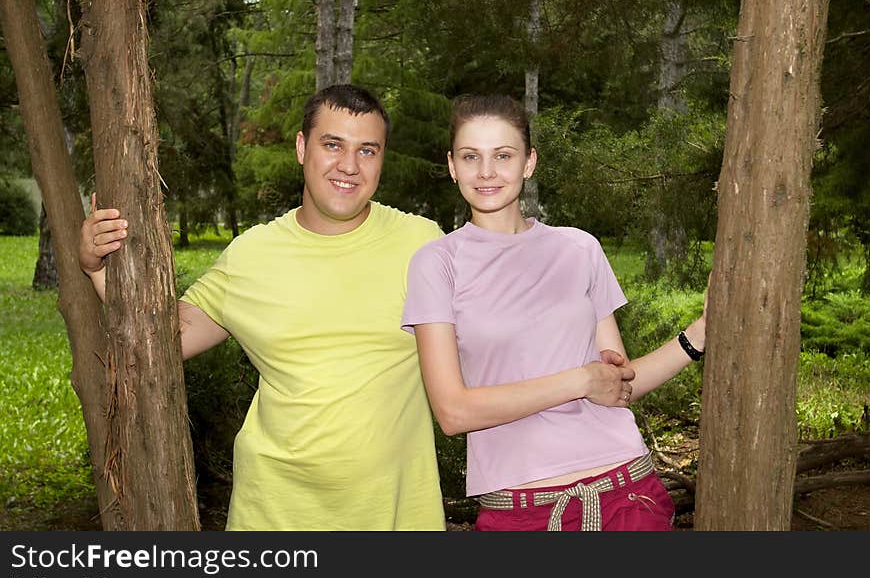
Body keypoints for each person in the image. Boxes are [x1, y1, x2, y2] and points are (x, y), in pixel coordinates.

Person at [80, 84, 448, 531]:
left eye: (367, 151)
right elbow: (164, 340)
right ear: (301, 147)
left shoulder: (423, 244)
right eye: (332, 145)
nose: (349, 166)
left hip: (395, 517)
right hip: (274, 516)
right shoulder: (251, 255)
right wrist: (97, 267)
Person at [401, 93, 708, 531]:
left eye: (503, 155)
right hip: (520, 510)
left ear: (529, 163)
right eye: (471, 157)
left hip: (626, 493)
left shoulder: (579, 248)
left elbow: (619, 385)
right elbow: (453, 412)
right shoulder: (437, 264)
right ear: (453, 166)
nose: (486, 172)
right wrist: (579, 380)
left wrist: (699, 333)